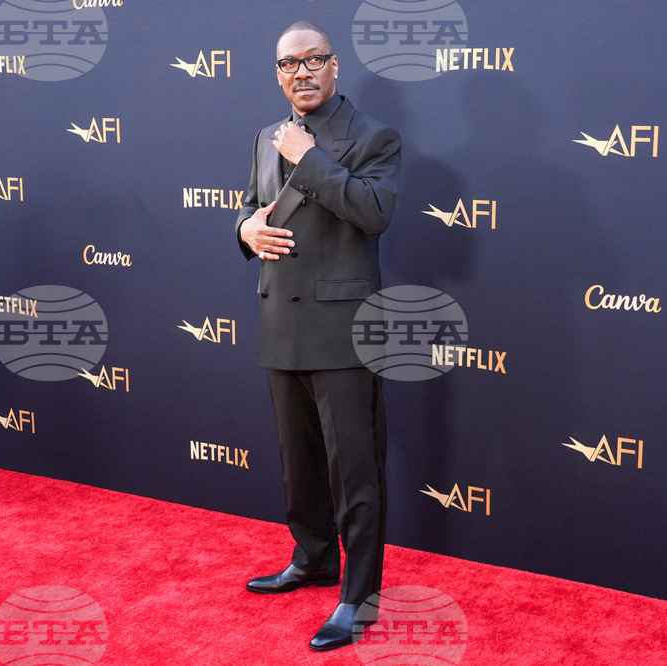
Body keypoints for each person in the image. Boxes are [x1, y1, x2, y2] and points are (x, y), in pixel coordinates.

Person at [233, 21, 400, 652]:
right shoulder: (263, 137)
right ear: (276, 74)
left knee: (354, 471)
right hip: (280, 320)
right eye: (287, 65)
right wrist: (244, 231)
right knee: (297, 464)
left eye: (312, 60)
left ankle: (358, 597)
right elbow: (252, 208)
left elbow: (374, 213)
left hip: (343, 329)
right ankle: (312, 558)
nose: (300, 73)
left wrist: (311, 160)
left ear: (335, 66)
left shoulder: (373, 136)